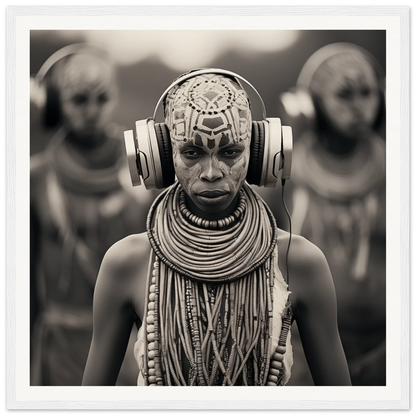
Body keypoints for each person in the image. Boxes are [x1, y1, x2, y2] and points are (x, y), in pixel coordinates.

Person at [82, 69, 351, 386]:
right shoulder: (127, 263)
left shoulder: (299, 260)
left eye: (230, 152)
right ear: (161, 156)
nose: (211, 172)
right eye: (192, 152)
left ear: (260, 151)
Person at [30, 44, 156, 386]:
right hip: (62, 346)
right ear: (53, 104)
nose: (92, 111)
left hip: (135, 344)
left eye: (102, 99)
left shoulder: (145, 172)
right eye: (79, 100)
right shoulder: (36, 178)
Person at [269, 43, 386, 386]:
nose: (360, 107)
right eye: (344, 95)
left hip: (387, 348)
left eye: (367, 93)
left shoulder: (399, 170)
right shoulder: (283, 174)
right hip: (300, 351)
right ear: (308, 107)